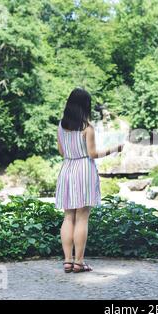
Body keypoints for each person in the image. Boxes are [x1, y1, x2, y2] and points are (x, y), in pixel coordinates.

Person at [55, 88, 124, 273]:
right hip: (84, 170)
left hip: (67, 169)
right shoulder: (87, 128)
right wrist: (114, 149)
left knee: (68, 216)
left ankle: (67, 261)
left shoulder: (61, 126)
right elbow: (92, 154)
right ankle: (79, 263)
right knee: (82, 218)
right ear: (85, 106)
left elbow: (62, 152)